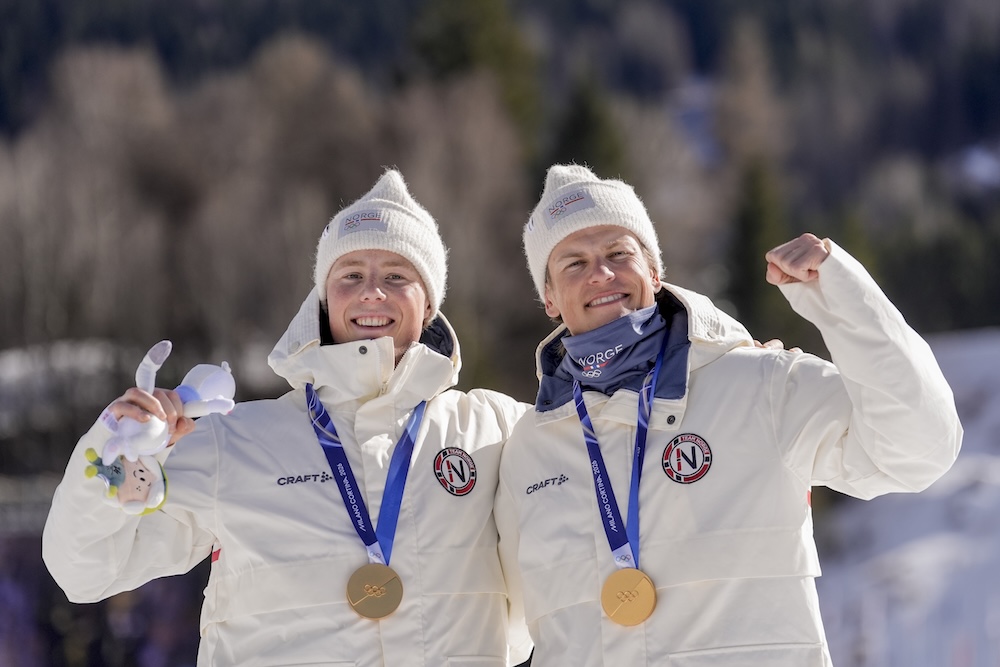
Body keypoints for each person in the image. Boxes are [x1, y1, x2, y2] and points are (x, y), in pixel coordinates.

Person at [43, 169, 533, 666]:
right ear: (323, 297)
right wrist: (114, 458)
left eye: (396, 276)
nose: (371, 292)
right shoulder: (234, 442)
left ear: (428, 303)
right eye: (350, 275)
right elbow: (83, 571)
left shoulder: (493, 428)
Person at [494, 164, 963, 666]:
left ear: (654, 272)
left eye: (618, 253)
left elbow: (918, 449)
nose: (601, 274)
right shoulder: (529, 447)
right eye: (573, 263)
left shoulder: (759, 385)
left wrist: (840, 295)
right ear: (548, 298)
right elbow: (497, 625)